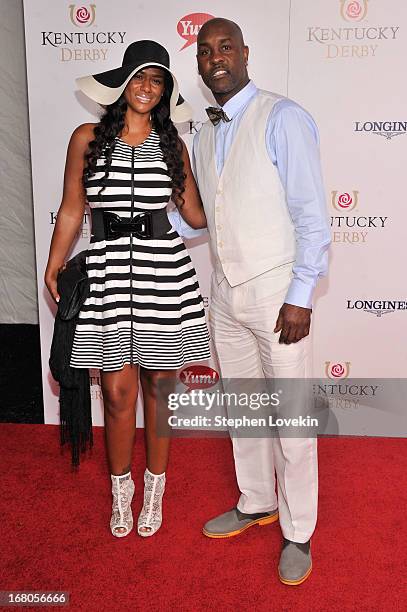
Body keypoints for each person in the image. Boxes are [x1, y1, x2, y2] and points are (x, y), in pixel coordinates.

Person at [45, 40, 210, 539]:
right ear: (121, 83)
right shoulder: (86, 137)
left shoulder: (173, 145)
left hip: (164, 273)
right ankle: (122, 492)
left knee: (159, 390)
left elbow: (199, 216)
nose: (146, 88)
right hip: (108, 271)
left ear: (165, 92)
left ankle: (154, 488)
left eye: (157, 81)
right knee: (116, 394)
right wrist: (53, 264)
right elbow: (73, 208)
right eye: (139, 77)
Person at [193, 18, 331, 585]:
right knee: (244, 411)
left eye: (225, 47)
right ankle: (255, 501)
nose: (216, 58)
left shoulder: (283, 116)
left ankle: (299, 531)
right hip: (226, 294)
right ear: (199, 64)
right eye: (205, 51)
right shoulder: (201, 133)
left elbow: (313, 217)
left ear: (245, 53)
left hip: (279, 295)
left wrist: (301, 297)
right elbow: (202, 216)